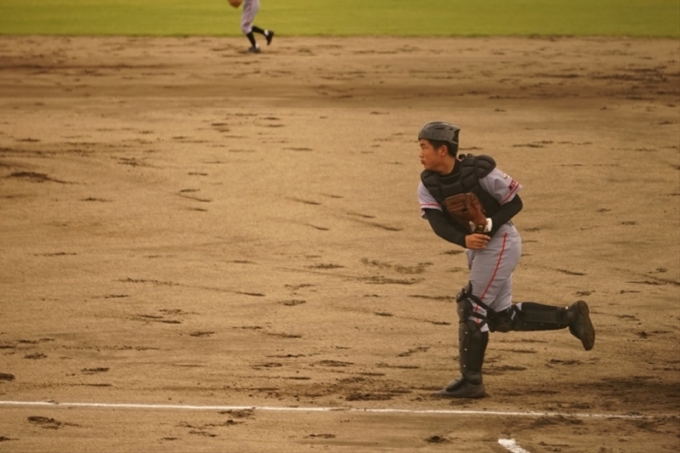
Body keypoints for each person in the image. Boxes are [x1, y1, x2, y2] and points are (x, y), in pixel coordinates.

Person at [416, 121, 596, 398]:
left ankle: (471, 381)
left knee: (472, 307)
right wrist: (464, 239)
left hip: (501, 241)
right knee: (500, 317)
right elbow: (437, 223)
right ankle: (570, 316)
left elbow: (515, 203)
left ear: (442, 150)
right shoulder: (427, 185)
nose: (420, 154)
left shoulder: (480, 171)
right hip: (476, 248)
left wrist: (489, 224)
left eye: (424, 147)